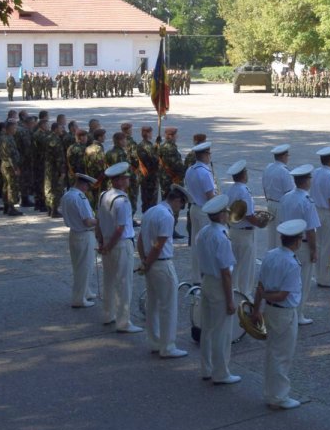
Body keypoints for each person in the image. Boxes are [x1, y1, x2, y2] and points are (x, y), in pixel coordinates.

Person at [252, 218, 307, 410]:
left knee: (272, 353)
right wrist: (265, 298)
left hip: (270, 310)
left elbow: (259, 285)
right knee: (282, 355)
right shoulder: (292, 264)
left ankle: (270, 392)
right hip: (284, 312)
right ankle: (278, 396)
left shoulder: (270, 255)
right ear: (298, 241)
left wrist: (257, 308)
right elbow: (283, 295)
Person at [138, 185, 190, 358]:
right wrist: (148, 262)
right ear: (176, 200)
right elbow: (159, 244)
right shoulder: (167, 216)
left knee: (152, 304)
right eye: (181, 206)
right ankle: (167, 346)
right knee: (168, 306)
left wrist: (144, 261)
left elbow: (140, 240)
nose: (179, 210)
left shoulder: (150, 211)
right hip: (161, 263)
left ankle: (154, 341)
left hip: (150, 262)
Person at [196, 194, 240, 384]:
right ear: (221, 215)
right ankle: (221, 372)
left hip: (206, 281)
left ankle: (206, 368)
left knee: (207, 328)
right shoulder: (221, 237)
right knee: (222, 331)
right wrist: (230, 299)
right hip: (218, 284)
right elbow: (226, 273)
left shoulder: (204, 232)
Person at [96, 162, 142, 334]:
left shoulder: (103, 195)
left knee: (108, 280)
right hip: (120, 244)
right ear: (121, 180)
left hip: (107, 242)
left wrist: (101, 242)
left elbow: (99, 221)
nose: (129, 180)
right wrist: (108, 246)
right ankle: (123, 322)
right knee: (124, 283)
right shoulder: (122, 200)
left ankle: (108, 314)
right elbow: (120, 228)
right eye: (127, 178)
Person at [276, 164, 320, 325]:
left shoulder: (286, 197)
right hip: (302, 244)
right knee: (303, 281)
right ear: (306, 181)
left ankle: (290, 311)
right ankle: (298, 313)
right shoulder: (307, 201)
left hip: (287, 241)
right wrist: (314, 250)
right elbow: (310, 230)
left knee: (287, 279)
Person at [226, 160, 268, 296]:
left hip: (233, 230)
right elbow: (248, 215)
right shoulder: (244, 191)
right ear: (243, 175)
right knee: (246, 267)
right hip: (245, 233)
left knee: (234, 265)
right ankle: (245, 294)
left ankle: (233, 291)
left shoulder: (230, 189)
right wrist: (260, 223)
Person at [61, 173, 98, 308]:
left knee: (79, 266)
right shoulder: (80, 197)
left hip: (74, 233)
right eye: (87, 186)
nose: (87, 189)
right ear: (83, 184)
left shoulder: (67, 195)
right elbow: (88, 221)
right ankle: (79, 299)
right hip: (84, 234)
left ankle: (85, 291)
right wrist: (101, 221)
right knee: (85, 267)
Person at [184, 141, 217, 283]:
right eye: (209, 154)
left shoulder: (190, 170)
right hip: (205, 210)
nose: (210, 156)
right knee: (206, 245)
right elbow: (210, 195)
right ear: (204, 155)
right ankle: (206, 276)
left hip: (194, 208)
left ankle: (196, 277)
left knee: (196, 244)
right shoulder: (205, 172)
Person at [311, 146, 330, 288]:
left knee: (318, 244)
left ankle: (318, 274)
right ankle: (325, 277)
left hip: (316, 210)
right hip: (327, 213)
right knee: (328, 246)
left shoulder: (316, 172)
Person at [262, 144, 293, 246]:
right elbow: (289, 194)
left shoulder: (268, 167)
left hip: (270, 203)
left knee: (271, 237)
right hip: (281, 206)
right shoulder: (285, 172)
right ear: (284, 156)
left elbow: (264, 186)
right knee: (281, 237)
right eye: (288, 155)